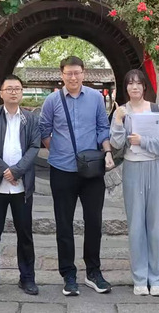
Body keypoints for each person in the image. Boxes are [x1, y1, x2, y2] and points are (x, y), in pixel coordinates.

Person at [39, 56, 115, 297]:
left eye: (77, 73)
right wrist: (58, 151)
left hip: (91, 171)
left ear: (84, 73)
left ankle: (93, 271)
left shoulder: (95, 98)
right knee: (64, 223)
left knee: (94, 222)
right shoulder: (52, 101)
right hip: (62, 170)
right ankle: (68, 274)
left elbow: (103, 128)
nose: (73, 77)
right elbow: (44, 130)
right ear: (61, 75)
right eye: (68, 73)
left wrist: (107, 152)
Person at [110, 69, 159, 296]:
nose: (134, 87)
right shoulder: (122, 112)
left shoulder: (158, 110)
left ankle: (157, 279)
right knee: (136, 225)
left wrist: (143, 140)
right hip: (133, 168)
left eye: (138, 83)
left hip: (156, 168)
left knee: (155, 225)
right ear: (125, 87)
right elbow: (116, 144)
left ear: (145, 86)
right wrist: (118, 121)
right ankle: (139, 277)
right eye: (130, 83)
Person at [0, 74, 41, 297]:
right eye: (9, 88)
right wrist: (5, 170)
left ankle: (27, 278)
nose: (14, 92)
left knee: (25, 234)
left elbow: (34, 147)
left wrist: (17, 171)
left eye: (17, 88)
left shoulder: (30, 119)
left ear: (22, 92)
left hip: (22, 186)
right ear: (1, 93)